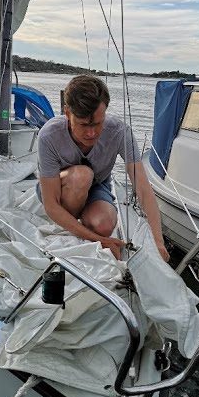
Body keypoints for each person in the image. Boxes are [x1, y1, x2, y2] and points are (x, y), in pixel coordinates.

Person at [36, 74, 170, 262]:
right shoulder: (49, 136)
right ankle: (71, 223)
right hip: (60, 187)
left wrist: (158, 240)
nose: (91, 133)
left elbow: (143, 189)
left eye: (98, 124)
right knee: (82, 175)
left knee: (104, 225)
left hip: (97, 186)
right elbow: (50, 205)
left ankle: (84, 219)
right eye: (83, 125)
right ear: (67, 113)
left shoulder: (120, 132)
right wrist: (98, 240)